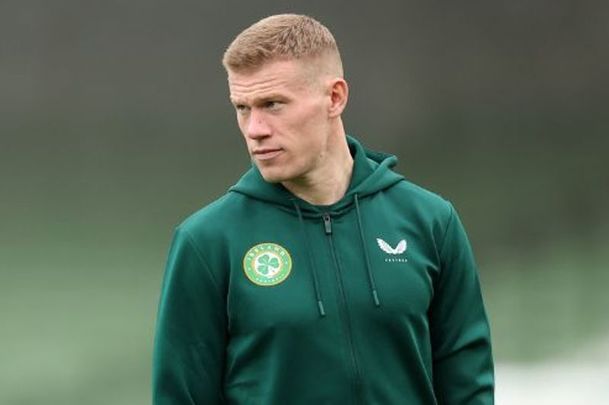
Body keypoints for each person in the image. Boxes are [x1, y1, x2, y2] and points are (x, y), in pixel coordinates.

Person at [152, 14, 494, 404]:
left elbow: (468, 389)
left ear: (335, 97)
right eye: (243, 108)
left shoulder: (431, 222)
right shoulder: (207, 242)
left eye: (272, 104)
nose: (255, 128)